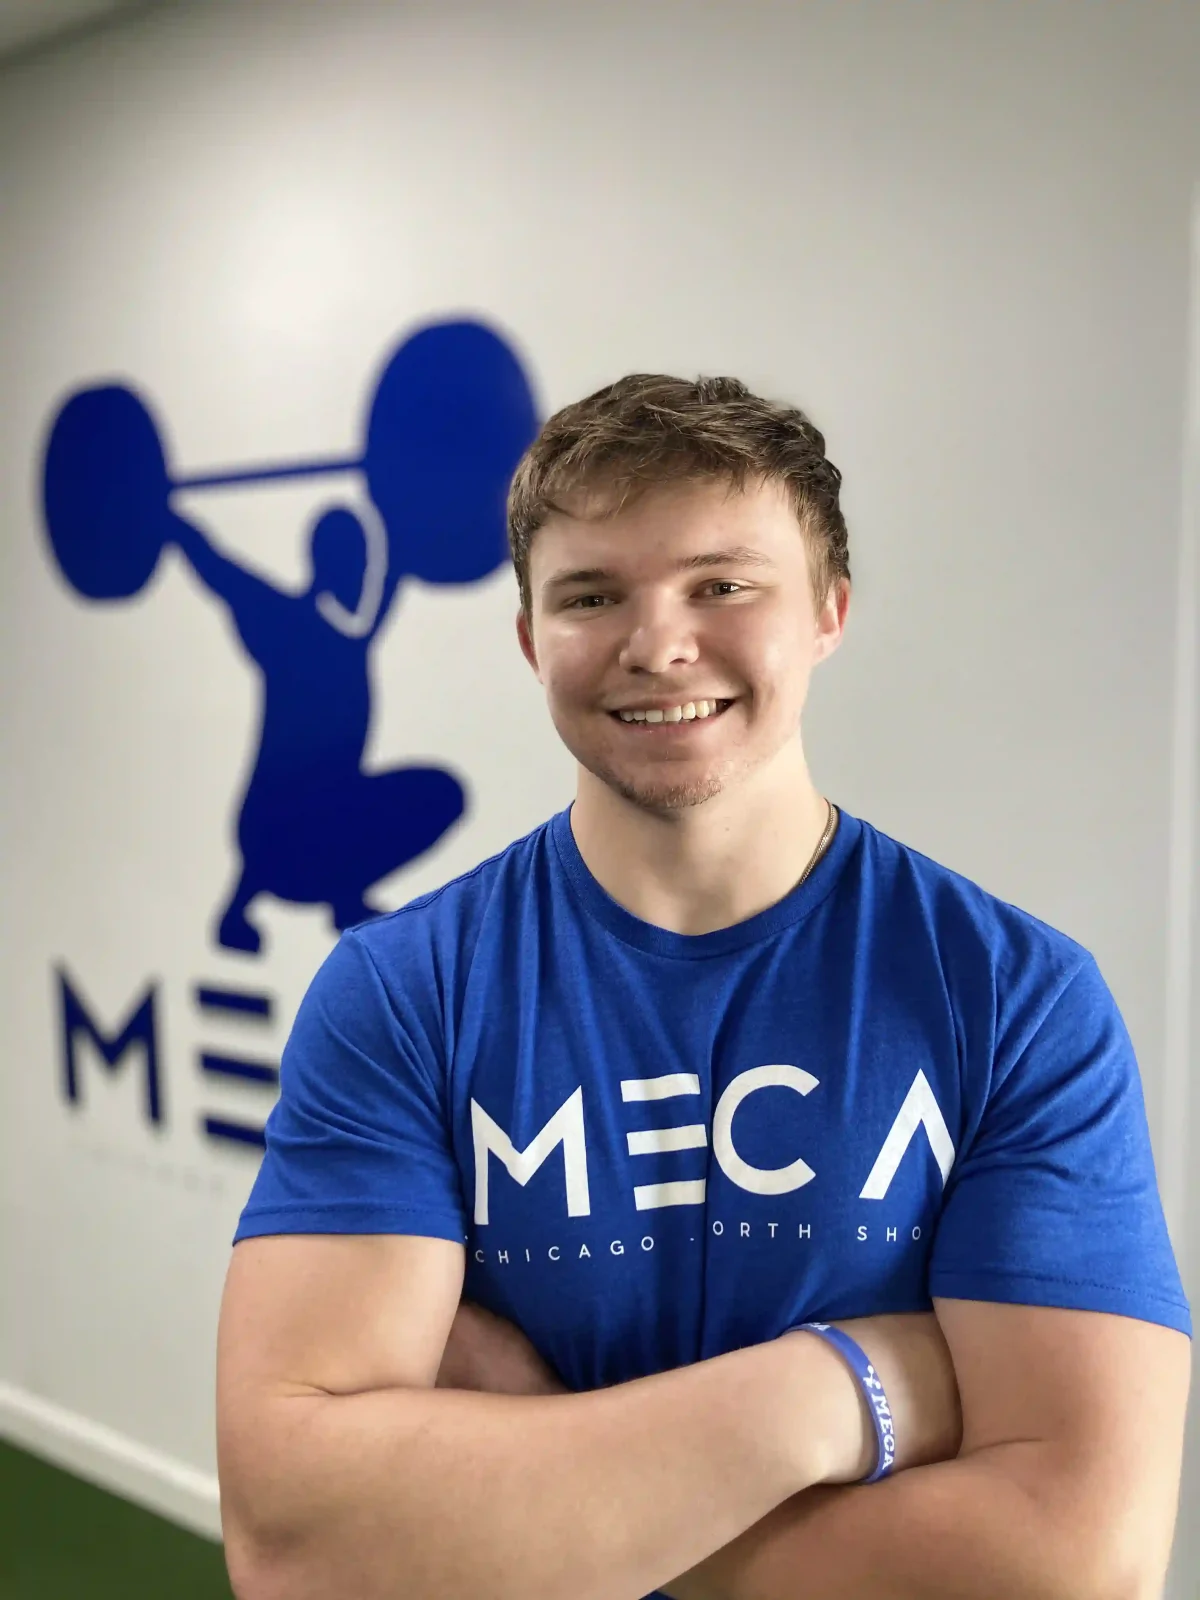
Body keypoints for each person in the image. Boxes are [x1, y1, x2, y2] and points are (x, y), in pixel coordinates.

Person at [215, 374, 1191, 1600]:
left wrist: (556, 1502)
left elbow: (1074, 1566)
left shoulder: (1012, 995)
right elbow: (306, 1551)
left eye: (723, 584)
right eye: (591, 594)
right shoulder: (403, 993)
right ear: (529, 638)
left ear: (829, 611)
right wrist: (842, 1390)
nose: (658, 641)